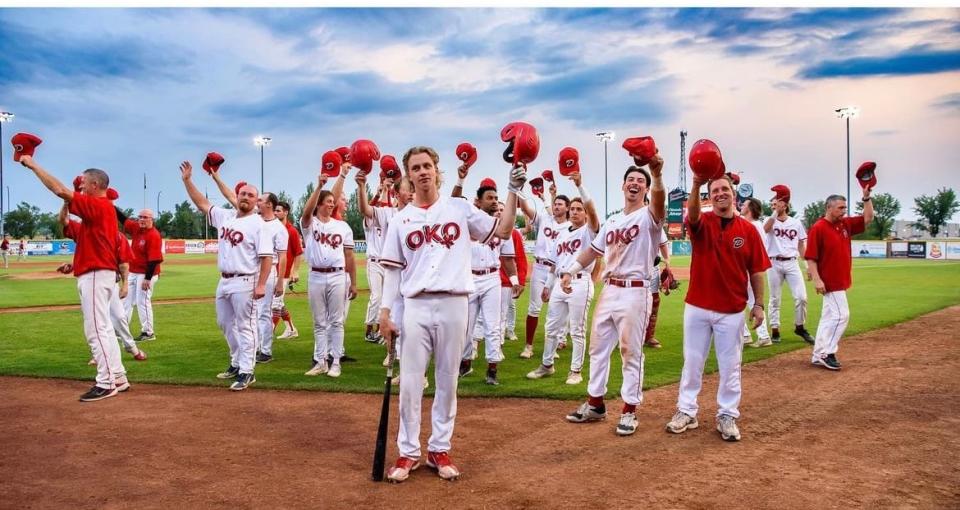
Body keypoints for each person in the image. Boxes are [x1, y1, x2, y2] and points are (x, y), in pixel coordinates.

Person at [378, 146, 523, 483]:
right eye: (416, 167)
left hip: (455, 302)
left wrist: (513, 190)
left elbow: (501, 231)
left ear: (436, 170)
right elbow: (394, 273)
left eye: (428, 165)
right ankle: (408, 452)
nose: (423, 171)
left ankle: (439, 448)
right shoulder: (401, 219)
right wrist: (386, 312)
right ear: (409, 175)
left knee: (448, 380)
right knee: (411, 382)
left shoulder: (458, 208)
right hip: (415, 305)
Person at [562, 157, 666, 436]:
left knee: (630, 351)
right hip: (610, 290)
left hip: (635, 290)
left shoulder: (650, 216)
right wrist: (571, 270)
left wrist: (655, 175)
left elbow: (659, 200)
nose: (635, 184)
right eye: (631, 180)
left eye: (640, 182)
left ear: (645, 189)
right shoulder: (612, 221)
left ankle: (630, 409)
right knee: (598, 349)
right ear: (622, 186)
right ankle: (596, 403)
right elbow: (592, 252)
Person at [665, 173, 771, 442]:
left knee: (730, 365)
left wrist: (758, 305)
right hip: (698, 305)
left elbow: (757, 271)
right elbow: (692, 216)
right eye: (715, 190)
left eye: (725, 189)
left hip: (732, 309)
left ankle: (727, 414)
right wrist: (697, 184)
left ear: (734, 194)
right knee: (693, 362)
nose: (721, 193)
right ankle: (686, 410)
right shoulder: (703, 222)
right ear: (710, 197)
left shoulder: (748, 230)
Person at [19, 155, 130, 401]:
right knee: (105, 330)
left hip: (95, 275)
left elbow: (59, 190)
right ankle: (118, 376)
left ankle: (106, 381)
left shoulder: (100, 206)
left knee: (96, 329)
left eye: (83, 183)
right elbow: (66, 220)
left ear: (95, 185)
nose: (80, 187)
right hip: (97, 273)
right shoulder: (99, 212)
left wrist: (34, 164)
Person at [180, 161, 272, 391]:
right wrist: (187, 181)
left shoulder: (259, 224)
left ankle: (247, 372)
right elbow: (202, 203)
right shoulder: (225, 217)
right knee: (225, 324)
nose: (246, 197)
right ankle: (236, 362)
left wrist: (261, 284)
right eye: (243, 193)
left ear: (256, 201)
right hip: (224, 280)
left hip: (245, 280)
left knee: (246, 326)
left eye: (251, 195)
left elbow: (267, 257)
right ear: (237, 194)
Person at [528, 171, 600, 386]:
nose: (576, 212)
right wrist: (548, 286)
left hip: (580, 281)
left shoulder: (589, 231)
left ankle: (575, 371)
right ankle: (547, 365)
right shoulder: (561, 234)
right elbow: (554, 264)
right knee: (551, 327)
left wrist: (580, 186)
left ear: (586, 214)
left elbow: (595, 215)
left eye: (580, 209)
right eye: (574, 209)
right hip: (560, 282)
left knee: (577, 329)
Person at [209, 172, 288, 364]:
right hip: (252, 270)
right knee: (245, 317)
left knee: (262, 313)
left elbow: (282, 256)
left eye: (259, 199)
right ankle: (251, 351)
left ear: (268, 204)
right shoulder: (255, 220)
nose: (257, 201)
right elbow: (231, 196)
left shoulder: (277, 227)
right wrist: (217, 177)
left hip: (266, 273)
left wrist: (279, 281)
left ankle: (265, 350)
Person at [60, 199, 147, 364]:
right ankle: (99, 354)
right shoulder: (83, 230)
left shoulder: (118, 237)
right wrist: (66, 203)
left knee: (119, 318)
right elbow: (64, 221)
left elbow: (123, 263)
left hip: (110, 283)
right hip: (92, 281)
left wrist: (125, 284)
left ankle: (131, 348)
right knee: (98, 322)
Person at [454, 180, 520, 386]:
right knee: (466, 325)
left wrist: (515, 280)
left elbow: (508, 259)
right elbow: (454, 202)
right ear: (478, 202)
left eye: (495, 198)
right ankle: (465, 362)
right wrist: (461, 179)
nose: (493, 202)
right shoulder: (466, 223)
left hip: (492, 277)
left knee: (493, 325)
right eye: (489, 198)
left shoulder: (503, 226)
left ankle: (492, 368)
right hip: (470, 277)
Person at [805, 188, 874, 370]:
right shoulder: (818, 228)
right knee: (842, 316)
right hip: (830, 281)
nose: (844, 211)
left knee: (827, 318)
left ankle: (817, 353)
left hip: (841, 279)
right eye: (840, 208)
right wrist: (817, 279)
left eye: (845, 208)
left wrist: (866, 198)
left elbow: (868, 218)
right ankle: (826, 353)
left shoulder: (845, 224)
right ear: (829, 207)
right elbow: (811, 257)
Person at [301, 173, 358, 378]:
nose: (332, 205)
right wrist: (318, 186)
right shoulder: (311, 224)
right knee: (319, 322)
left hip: (337, 276)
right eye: (328, 202)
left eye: (334, 202)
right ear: (319, 204)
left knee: (336, 321)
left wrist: (354, 283)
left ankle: (335, 362)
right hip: (316, 275)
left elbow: (349, 256)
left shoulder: (342, 227)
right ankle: (320, 361)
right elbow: (306, 212)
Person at [518, 184, 570, 359]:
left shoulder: (570, 227)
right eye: (555, 204)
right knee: (534, 308)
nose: (556, 206)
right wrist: (520, 189)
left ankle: (552, 347)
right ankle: (528, 346)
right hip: (540, 267)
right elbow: (525, 207)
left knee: (555, 311)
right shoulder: (544, 219)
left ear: (567, 208)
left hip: (558, 270)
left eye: (560, 204)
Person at [764, 185, 814, 344]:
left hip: (792, 263)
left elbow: (801, 245)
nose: (774, 205)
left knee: (801, 297)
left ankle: (800, 327)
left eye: (777, 203)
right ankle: (775, 329)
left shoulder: (796, 223)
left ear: (784, 205)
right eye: (773, 203)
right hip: (774, 263)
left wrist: (807, 266)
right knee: (774, 299)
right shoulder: (769, 220)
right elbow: (766, 229)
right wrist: (774, 212)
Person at [116, 208, 164, 341]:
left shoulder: (153, 235)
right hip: (133, 271)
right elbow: (123, 219)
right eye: (140, 217)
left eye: (145, 217)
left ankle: (148, 332)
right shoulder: (137, 228)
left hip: (147, 273)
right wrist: (108, 202)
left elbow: (154, 259)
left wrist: (148, 279)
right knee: (126, 301)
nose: (141, 220)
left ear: (151, 220)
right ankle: (122, 330)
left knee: (142, 301)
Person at [739, 198, 772, 347]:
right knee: (744, 301)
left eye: (744, 204)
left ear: (750, 208)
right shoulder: (750, 224)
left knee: (750, 302)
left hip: (749, 269)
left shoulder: (755, 225)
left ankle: (763, 336)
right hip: (747, 268)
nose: (741, 206)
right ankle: (746, 335)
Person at [273, 201, 303, 339]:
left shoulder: (291, 231)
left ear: (286, 212)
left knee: (274, 306)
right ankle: (291, 329)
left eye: (278, 210)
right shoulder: (272, 228)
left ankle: (264, 339)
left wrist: (295, 272)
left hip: (283, 274)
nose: (275, 213)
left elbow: (298, 253)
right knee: (279, 303)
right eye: (275, 210)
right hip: (272, 273)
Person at [498, 201, 527, 345]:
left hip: (508, 279)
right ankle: (492, 336)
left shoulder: (514, 233)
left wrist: (520, 281)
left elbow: (521, 258)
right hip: (490, 278)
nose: (499, 212)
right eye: (497, 209)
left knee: (510, 306)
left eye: (502, 209)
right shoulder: (485, 228)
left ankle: (509, 330)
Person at [643, 227, 670, 349]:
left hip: (653, 267)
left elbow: (663, 244)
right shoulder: (631, 222)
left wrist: (668, 264)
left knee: (654, 301)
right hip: (635, 268)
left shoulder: (656, 225)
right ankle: (627, 336)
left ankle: (649, 336)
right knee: (633, 301)